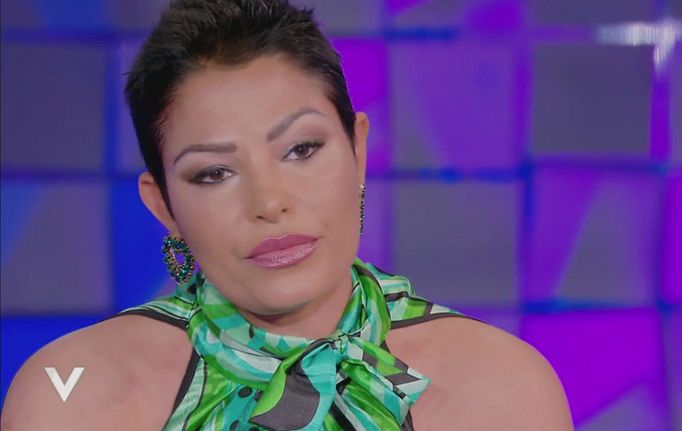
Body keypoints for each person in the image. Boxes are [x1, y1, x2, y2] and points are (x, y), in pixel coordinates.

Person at [1, 1, 573, 429]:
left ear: (358, 151)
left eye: (301, 149)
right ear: (163, 205)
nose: (268, 202)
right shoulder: (69, 394)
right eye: (213, 173)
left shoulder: (504, 386)